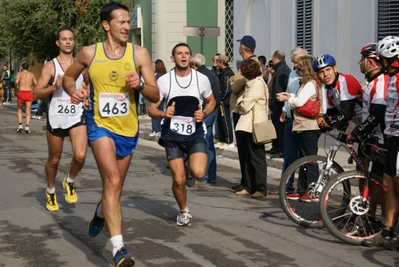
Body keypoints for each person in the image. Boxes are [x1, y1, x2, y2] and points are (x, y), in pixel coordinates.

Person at [63, 3, 159, 266]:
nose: (127, 26)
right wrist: (74, 90)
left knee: (114, 187)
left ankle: (101, 209)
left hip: (127, 129)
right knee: (113, 180)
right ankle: (119, 249)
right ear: (106, 25)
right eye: (122, 22)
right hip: (99, 124)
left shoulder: (139, 54)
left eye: (129, 22)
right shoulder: (89, 53)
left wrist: (139, 85)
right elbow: (68, 78)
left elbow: (155, 94)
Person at [148, 43, 216, 225]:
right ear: (173, 58)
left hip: (195, 133)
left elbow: (211, 101)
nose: (183, 56)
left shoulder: (200, 79)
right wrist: (163, 113)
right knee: (178, 180)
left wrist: (205, 113)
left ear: (190, 57)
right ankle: (183, 211)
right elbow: (151, 109)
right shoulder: (164, 81)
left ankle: (189, 166)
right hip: (172, 135)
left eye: (187, 53)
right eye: (179, 53)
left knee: (199, 172)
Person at [33, 27, 89, 214]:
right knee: (54, 160)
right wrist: (53, 87)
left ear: (74, 42)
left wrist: (87, 94)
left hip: (76, 115)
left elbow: (89, 83)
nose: (67, 42)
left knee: (80, 155)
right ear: (58, 43)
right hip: (56, 117)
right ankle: (50, 189)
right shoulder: (51, 66)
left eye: (70, 39)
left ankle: (70, 180)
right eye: (63, 39)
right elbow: (35, 93)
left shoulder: (82, 65)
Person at [363, 36, 399, 249]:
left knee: (396, 185)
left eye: (382, 59)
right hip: (391, 135)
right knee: (387, 185)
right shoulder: (392, 77)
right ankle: (387, 233)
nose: (380, 62)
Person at [277, 55, 322, 201]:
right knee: (303, 159)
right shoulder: (306, 83)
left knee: (310, 160)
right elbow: (298, 97)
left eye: (300, 67)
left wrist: (287, 99)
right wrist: (289, 94)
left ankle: (311, 189)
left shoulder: (310, 84)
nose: (297, 69)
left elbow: (299, 101)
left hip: (308, 126)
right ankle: (302, 189)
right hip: (302, 126)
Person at [269, 47, 308, 195]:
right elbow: (289, 93)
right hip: (291, 118)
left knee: (305, 157)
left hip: (305, 120)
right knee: (289, 155)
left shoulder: (312, 77)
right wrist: (285, 110)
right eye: (294, 62)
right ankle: (287, 186)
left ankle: (304, 189)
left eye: (298, 62)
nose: (296, 65)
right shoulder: (292, 74)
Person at [235, 58, 268, 198]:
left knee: (257, 158)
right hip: (249, 125)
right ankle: (249, 186)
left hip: (256, 125)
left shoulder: (257, 85)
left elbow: (245, 105)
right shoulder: (252, 84)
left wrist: (240, 100)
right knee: (248, 157)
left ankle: (260, 188)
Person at [229, 35, 257, 192]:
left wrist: (232, 80)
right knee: (242, 149)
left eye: (240, 45)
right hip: (239, 110)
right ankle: (244, 180)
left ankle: (248, 183)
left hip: (242, 111)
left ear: (243, 47)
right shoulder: (245, 64)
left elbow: (235, 85)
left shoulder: (249, 64)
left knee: (245, 149)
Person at [314, 54, 363, 132]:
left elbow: (346, 114)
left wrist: (330, 122)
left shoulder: (346, 80)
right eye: (321, 72)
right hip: (362, 127)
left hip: (375, 125)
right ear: (318, 75)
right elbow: (331, 112)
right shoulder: (329, 89)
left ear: (335, 69)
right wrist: (322, 119)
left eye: (328, 69)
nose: (325, 74)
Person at [269, 50, 291, 158]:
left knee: (279, 129)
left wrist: (274, 103)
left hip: (279, 105)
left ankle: (280, 149)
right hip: (282, 103)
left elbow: (277, 88)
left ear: (275, 58)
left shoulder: (280, 70)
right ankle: (278, 148)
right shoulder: (284, 68)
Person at [214, 54, 235, 149]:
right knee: (220, 120)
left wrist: (221, 98)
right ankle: (222, 139)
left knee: (225, 120)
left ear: (222, 62)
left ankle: (229, 140)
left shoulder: (227, 73)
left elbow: (227, 89)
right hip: (220, 101)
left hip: (225, 102)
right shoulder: (221, 72)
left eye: (218, 61)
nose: (216, 63)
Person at [15, 63, 37, 133]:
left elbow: (16, 82)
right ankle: (27, 126)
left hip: (21, 92)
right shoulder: (31, 75)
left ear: (22, 67)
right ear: (29, 68)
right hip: (28, 92)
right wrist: (32, 88)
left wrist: (16, 88)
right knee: (28, 110)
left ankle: (20, 125)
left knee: (19, 109)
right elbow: (36, 84)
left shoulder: (19, 74)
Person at [149, 59, 167, 137]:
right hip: (163, 95)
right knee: (161, 111)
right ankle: (159, 129)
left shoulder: (156, 76)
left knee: (154, 111)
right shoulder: (164, 75)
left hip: (156, 95)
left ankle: (155, 130)